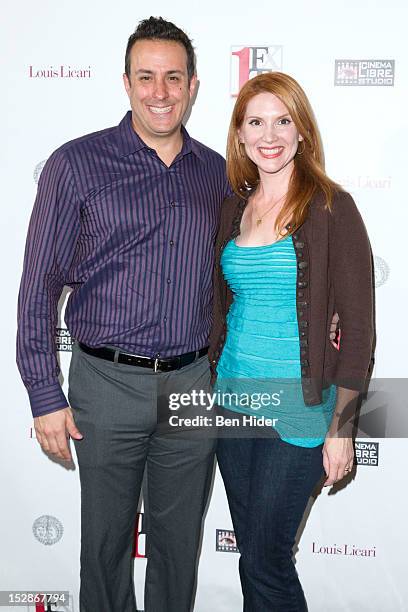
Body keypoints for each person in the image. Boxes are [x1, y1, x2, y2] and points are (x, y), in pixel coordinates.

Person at [16, 17, 231, 612]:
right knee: (106, 547)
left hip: (192, 385)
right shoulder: (76, 165)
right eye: (146, 78)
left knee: (177, 546)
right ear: (126, 83)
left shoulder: (218, 173)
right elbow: (38, 288)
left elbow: (238, 274)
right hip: (104, 384)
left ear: (193, 86)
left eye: (172, 78)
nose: (159, 92)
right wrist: (43, 396)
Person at [208, 72, 374, 611]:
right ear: (239, 136)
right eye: (255, 122)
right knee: (252, 556)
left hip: (299, 415)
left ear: (302, 131)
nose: (269, 134)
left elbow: (360, 332)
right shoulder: (234, 207)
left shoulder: (331, 207)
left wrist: (342, 429)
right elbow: (223, 304)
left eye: (283, 120)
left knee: (265, 560)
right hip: (232, 404)